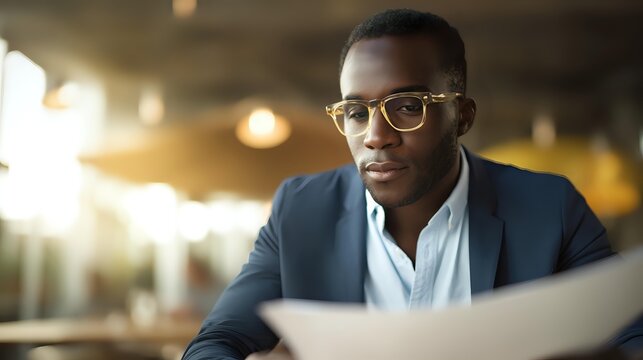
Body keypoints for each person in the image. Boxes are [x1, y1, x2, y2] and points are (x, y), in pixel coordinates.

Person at [182, 9, 642, 360]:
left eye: (406, 106)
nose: (376, 137)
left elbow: (631, 333)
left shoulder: (548, 207)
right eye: (357, 113)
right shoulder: (300, 211)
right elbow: (216, 340)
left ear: (461, 116)